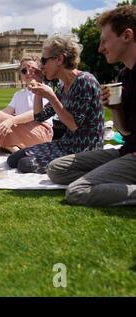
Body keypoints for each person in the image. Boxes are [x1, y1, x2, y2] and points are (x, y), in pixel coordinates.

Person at [47, 5, 136, 206]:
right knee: (57, 169)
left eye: (105, 41)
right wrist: (115, 108)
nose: (100, 48)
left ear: (127, 35)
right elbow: (125, 131)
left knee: (78, 191)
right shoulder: (124, 76)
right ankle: (112, 177)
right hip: (126, 150)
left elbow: (74, 125)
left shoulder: (84, 80)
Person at [7, 34, 104, 174]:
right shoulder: (63, 85)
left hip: (85, 149)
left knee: (25, 164)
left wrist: (52, 97)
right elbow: (39, 116)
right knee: (13, 159)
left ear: (60, 59)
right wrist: (38, 88)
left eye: (44, 60)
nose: (41, 66)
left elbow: (73, 125)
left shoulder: (85, 81)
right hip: (67, 144)